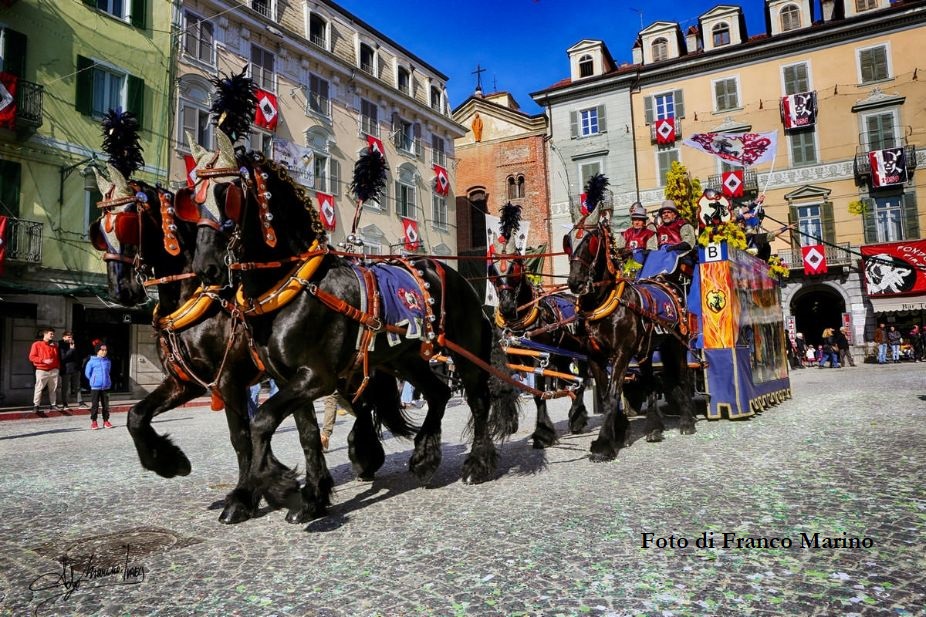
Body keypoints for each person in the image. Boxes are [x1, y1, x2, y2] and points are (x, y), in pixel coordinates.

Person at [28, 327, 59, 414]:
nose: (52, 335)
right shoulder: (36, 344)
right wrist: (43, 360)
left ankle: (53, 404)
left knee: (53, 389)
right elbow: (31, 357)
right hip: (42, 369)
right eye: (51, 334)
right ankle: (36, 405)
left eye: (53, 334)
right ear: (45, 334)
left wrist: (57, 368)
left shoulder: (54, 346)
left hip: (53, 370)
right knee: (39, 388)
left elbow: (56, 358)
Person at [84, 342, 113, 429]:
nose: (104, 352)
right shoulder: (91, 361)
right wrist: (94, 380)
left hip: (106, 387)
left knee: (106, 405)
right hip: (95, 387)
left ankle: (106, 421)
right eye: (102, 350)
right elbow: (87, 373)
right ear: (97, 351)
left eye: (105, 350)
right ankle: (94, 421)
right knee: (95, 405)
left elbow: (108, 372)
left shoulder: (108, 361)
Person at [56, 331, 83, 409]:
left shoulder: (74, 344)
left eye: (71, 337)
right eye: (68, 337)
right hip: (66, 369)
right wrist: (71, 350)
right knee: (65, 387)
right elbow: (63, 358)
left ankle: (80, 402)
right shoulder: (61, 345)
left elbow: (78, 356)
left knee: (77, 386)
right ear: (63, 337)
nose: (70, 338)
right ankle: (65, 403)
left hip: (76, 368)